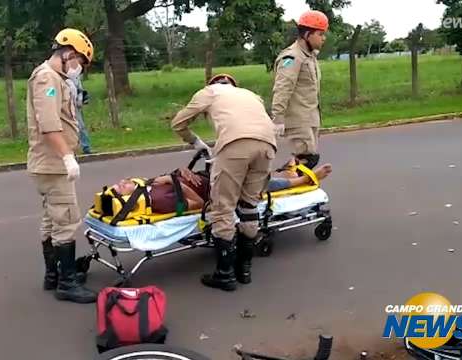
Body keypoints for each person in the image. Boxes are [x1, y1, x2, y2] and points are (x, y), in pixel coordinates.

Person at [170, 73, 277, 292]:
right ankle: (244, 270)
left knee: (222, 209)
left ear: (213, 84)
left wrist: (196, 142)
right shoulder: (251, 95)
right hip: (268, 145)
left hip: (236, 145)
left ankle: (225, 274)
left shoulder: (209, 92)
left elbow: (178, 123)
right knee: (249, 206)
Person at [26, 28, 97, 304]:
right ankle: (67, 283)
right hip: (53, 164)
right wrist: (68, 157)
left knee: (51, 220)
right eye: (80, 61)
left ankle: (53, 276)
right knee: (66, 220)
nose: (80, 67)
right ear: (68, 53)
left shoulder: (57, 78)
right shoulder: (47, 78)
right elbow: (49, 125)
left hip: (48, 164)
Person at [111, 163, 333, 214]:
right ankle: (300, 181)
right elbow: (199, 205)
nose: (123, 181)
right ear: (128, 197)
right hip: (218, 190)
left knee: (249, 169)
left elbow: (176, 175)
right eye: (121, 186)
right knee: (255, 183)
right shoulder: (159, 202)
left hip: (210, 177)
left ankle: (287, 173)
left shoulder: (150, 185)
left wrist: (180, 173)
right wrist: (176, 183)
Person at [271, 10, 329, 170]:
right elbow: (283, 87)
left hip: (311, 118)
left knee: (307, 162)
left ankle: (295, 184)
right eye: (320, 34)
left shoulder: (309, 56)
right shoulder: (292, 57)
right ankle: (285, 181)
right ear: (307, 34)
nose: (324, 38)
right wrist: (278, 118)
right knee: (306, 160)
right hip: (298, 121)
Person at [70, 74, 93, 154]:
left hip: (76, 104)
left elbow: (79, 89)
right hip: (66, 104)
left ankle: (86, 147)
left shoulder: (75, 75)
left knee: (81, 126)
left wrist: (80, 99)